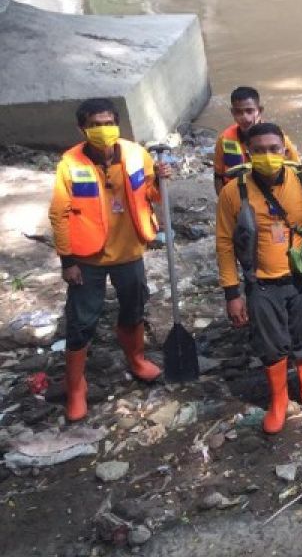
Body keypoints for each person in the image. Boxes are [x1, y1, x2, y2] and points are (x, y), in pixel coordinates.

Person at [215, 123, 302, 434]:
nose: (267, 156)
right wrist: (232, 292)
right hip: (263, 283)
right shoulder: (233, 192)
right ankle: (278, 400)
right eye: (259, 150)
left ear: (284, 149)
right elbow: (225, 244)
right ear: (249, 153)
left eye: (273, 149)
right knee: (271, 345)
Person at [48, 98, 173, 421]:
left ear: (117, 124)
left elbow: (151, 194)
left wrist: (159, 179)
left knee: (133, 309)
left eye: (107, 123)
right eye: (94, 124)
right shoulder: (70, 164)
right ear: (82, 128)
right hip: (87, 258)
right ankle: (76, 386)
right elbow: (59, 215)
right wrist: (67, 261)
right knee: (81, 321)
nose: (102, 130)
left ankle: (136, 359)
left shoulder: (135, 154)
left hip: (129, 251)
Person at [212, 86, 301, 193]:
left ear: (260, 110)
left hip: (272, 193)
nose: (245, 117)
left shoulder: (277, 138)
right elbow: (218, 176)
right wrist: (223, 200)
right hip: (236, 193)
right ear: (232, 112)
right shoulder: (225, 139)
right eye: (238, 112)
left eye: (249, 111)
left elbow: (297, 170)